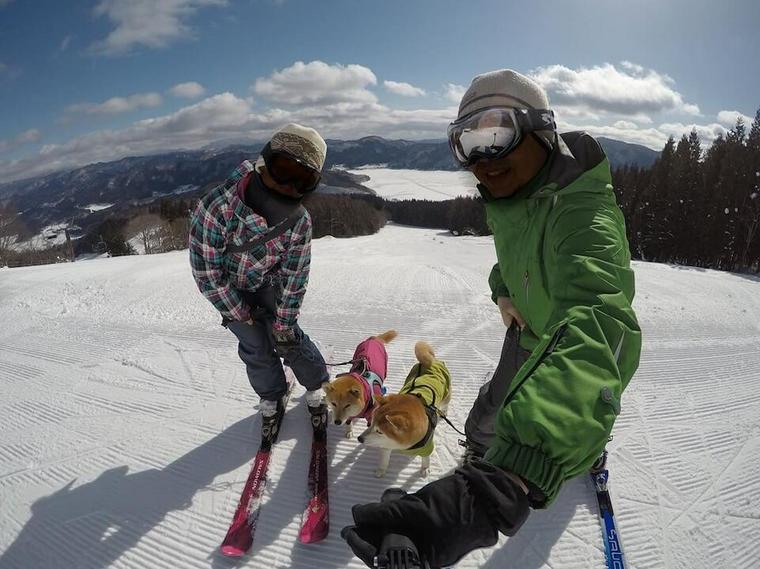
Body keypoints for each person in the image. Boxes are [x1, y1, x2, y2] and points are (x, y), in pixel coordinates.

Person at [341, 69, 642, 568]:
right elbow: (511, 256)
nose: (482, 158)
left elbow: (600, 321)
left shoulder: (583, 213)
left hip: (565, 343)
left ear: (540, 129)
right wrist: (504, 293)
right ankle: (484, 456)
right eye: (467, 144)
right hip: (524, 330)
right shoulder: (516, 198)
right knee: (488, 411)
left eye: (496, 134)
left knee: (567, 403)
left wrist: (493, 492)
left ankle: (570, 449)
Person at [189, 123, 329, 435]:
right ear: (263, 162)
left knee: (288, 339)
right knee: (255, 347)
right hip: (229, 287)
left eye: (304, 179)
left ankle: (317, 384)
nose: (289, 186)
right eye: (283, 170)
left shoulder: (299, 221)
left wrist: (284, 321)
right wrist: (239, 312)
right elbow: (206, 271)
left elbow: (296, 275)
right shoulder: (217, 207)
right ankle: (272, 396)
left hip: (270, 283)